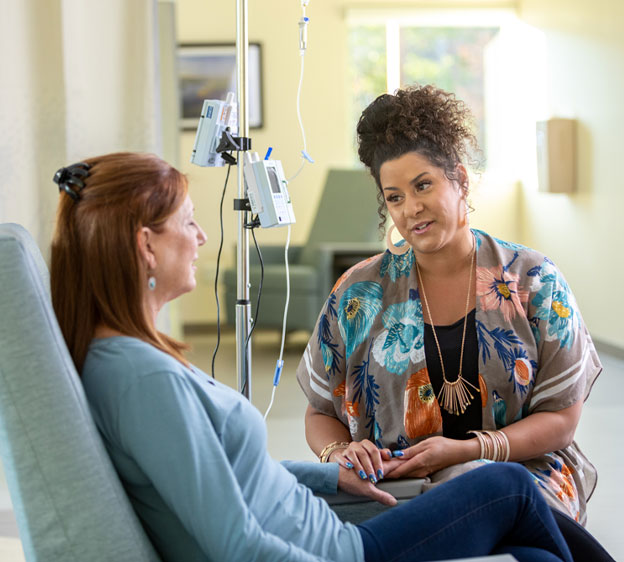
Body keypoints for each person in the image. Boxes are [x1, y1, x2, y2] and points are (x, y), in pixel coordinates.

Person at [49, 151, 574, 562]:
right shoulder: (143, 381)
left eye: (423, 186)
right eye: (188, 223)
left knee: (531, 551)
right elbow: (236, 544)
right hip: (337, 550)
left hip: (329, 514)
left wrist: (330, 473)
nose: (202, 237)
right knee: (503, 486)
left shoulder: (126, 361)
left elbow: (227, 478)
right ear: (146, 247)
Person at [296, 85, 603, 526]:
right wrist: (341, 451)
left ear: (459, 178)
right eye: (395, 196)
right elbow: (319, 412)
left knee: (490, 512)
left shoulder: (534, 281)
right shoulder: (357, 293)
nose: (411, 208)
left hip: (519, 477)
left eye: (423, 185)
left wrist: (468, 451)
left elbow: (562, 419)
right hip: (393, 485)